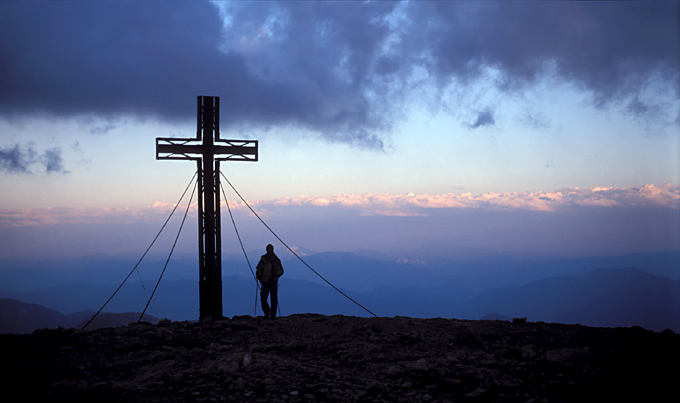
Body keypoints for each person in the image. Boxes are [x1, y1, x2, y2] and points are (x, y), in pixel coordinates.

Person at [256, 244, 284, 319]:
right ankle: (268, 312)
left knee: (272, 299)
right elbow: (259, 268)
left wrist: (276, 276)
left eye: (269, 249)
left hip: (271, 282)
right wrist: (258, 274)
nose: (268, 250)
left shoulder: (274, 260)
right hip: (265, 281)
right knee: (264, 299)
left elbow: (280, 271)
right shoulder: (266, 259)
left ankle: (271, 315)